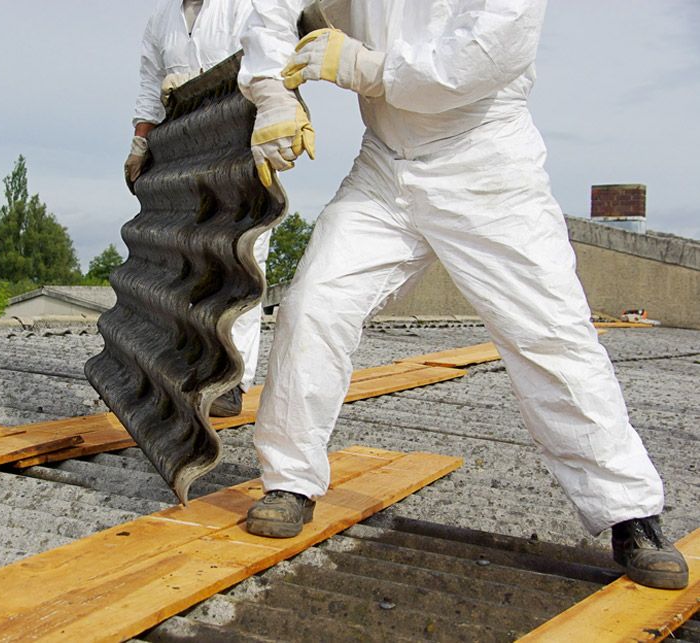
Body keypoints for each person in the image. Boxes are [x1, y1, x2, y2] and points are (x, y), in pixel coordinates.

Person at [237, 0, 688, 590]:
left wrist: (362, 67)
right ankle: (290, 481)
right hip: (384, 166)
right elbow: (274, 8)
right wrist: (273, 92)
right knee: (313, 304)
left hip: (485, 163)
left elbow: (478, 59)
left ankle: (630, 514)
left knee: (550, 334)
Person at [126, 0, 268, 416]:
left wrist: (206, 83)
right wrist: (140, 142)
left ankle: (232, 380)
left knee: (241, 259)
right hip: (186, 148)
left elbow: (272, 61)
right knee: (188, 259)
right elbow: (150, 84)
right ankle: (187, 367)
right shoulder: (163, 20)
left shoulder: (246, 6)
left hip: (243, 141)